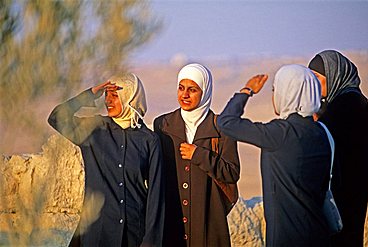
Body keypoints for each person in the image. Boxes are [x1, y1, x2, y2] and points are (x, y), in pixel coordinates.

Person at [218, 64, 332, 246]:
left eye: (275, 90)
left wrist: (246, 91)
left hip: (287, 237)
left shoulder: (281, 134)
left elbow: (226, 123)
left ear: (287, 93)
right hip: (319, 233)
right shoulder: (322, 132)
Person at [48, 73, 164, 247]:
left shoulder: (149, 140)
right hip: (97, 233)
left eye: (115, 95)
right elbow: (56, 117)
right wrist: (90, 95)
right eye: (107, 95)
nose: (108, 100)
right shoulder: (94, 130)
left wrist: (151, 241)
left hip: (134, 235)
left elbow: (156, 195)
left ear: (130, 97)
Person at [153, 63, 240, 247]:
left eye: (192, 90)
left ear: (205, 92)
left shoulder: (222, 128)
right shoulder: (163, 125)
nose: (184, 95)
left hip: (209, 223)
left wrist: (199, 155)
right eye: (181, 88)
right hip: (172, 223)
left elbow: (232, 173)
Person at [308, 50, 368, 247]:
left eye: (318, 78)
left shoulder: (347, 106)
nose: (314, 84)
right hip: (348, 192)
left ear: (334, 75)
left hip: (344, 194)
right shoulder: (346, 103)